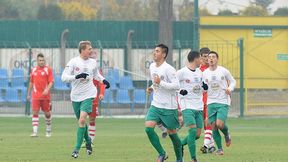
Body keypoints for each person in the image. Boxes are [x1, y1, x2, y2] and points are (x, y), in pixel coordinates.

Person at [61, 41, 110, 158]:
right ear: (82, 50)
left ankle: (76, 149)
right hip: (76, 96)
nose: (91, 51)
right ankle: (88, 141)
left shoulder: (93, 62)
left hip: (89, 94)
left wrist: (104, 81)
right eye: (89, 49)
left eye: (91, 48)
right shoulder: (73, 62)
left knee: (82, 120)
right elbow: (64, 77)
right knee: (81, 122)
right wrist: (77, 76)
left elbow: (97, 75)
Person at [145, 44, 183, 162]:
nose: (154, 53)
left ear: (164, 54)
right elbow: (156, 82)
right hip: (156, 105)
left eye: (157, 51)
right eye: (154, 51)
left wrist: (160, 83)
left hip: (169, 107)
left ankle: (179, 158)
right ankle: (162, 153)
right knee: (148, 128)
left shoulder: (169, 69)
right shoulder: (152, 66)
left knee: (172, 133)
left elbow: (177, 86)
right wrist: (152, 87)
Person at [202, 51, 236, 155]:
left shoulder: (223, 71)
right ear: (207, 60)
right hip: (211, 102)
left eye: (213, 57)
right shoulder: (204, 73)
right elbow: (203, 88)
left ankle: (226, 133)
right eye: (209, 57)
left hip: (223, 101)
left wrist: (230, 88)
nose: (211, 59)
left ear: (217, 59)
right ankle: (220, 149)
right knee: (213, 126)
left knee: (220, 124)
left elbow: (233, 81)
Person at [177, 50, 208, 162]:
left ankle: (179, 144)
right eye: (200, 58)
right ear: (195, 59)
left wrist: (205, 87)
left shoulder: (200, 73)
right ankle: (193, 158)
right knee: (192, 131)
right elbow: (173, 85)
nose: (202, 60)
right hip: (187, 105)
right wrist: (181, 90)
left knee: (198, 134)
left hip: (198, 106)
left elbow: (203, 88)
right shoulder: (182, 72)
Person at [27, 53, 54, 138]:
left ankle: (48, 131)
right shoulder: (34, 70)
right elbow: (31, 82)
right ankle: (35, 132)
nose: (42, 62)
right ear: (37, 61)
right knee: (35, 112)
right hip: (35, 96)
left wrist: (47, 89)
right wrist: (28, 94)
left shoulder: (48, 70)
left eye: (43, 60)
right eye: (40, 60)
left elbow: (51, 82)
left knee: (47, 114)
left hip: (45, 96)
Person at [199, 47, 215, 153]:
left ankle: (205, 145)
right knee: (204, 125)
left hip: (211, 100)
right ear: (200, 57)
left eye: (208, 57)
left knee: (208, 121)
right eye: (204, 57)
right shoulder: (197, 70)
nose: (206, 59)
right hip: (199, 101)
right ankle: (212, 145)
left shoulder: (213, 69)